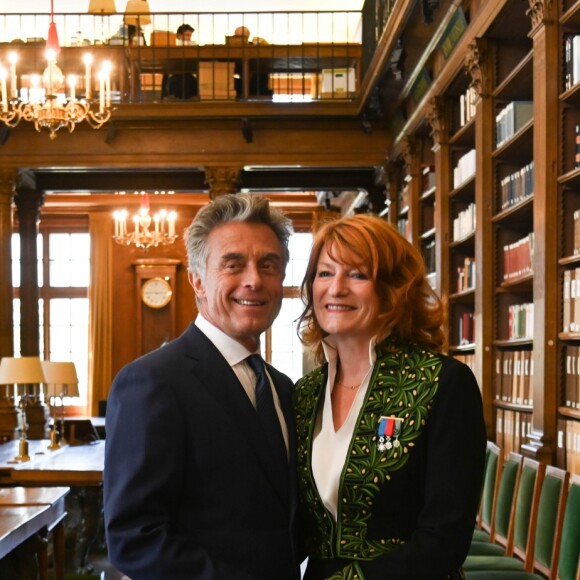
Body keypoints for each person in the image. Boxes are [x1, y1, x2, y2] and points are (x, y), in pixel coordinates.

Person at [104, 194, 300, 580]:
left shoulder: (282, 387)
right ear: (197, 280)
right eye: (233, 264)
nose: (254, 280)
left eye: (268, 264)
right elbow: (134, 537)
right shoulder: (152, 381)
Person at [294, 214, 487, 579]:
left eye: (357, 274)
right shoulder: (303, 395)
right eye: (324, 273)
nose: (336, 288)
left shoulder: (444, 384)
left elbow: (446, 536)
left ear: (392, 289)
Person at [162, 24, 198, 99]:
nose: (189, 38)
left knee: (190, 80)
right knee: (184, 81)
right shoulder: (173, 49)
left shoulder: (192, 50)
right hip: (177, 77)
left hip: (186, 76)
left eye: (190, 36)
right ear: (179, 36)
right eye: (187, 35)